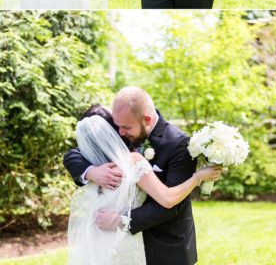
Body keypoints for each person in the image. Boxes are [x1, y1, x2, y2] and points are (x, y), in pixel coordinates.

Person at [64, 88, 221, 265]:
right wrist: (91, 171)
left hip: (164, 244)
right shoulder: (124, 125)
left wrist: (122, 221)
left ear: (146, 119)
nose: (121, 132)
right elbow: (74, 154)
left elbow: (172, 204)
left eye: (125, 128)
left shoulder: (179, 144)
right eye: (117, 127)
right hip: (115, 243)